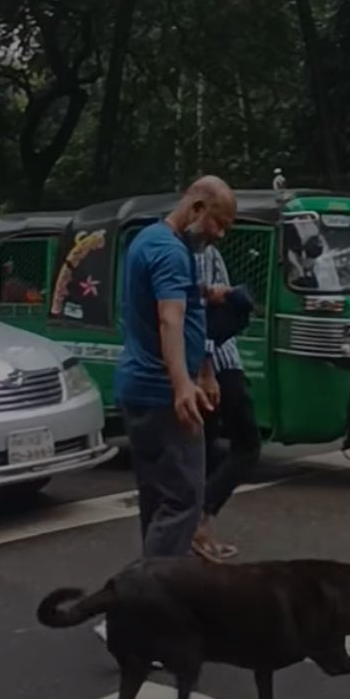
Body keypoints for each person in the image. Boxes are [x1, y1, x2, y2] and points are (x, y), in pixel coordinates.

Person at [114, 177, 236, 557]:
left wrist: (204, 369)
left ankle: (144, 599)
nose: (220, 234)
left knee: (158, 502)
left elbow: (188, 310)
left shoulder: (150, 240)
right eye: (219, 223)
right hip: (163, 393)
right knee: (184, 502)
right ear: (196, 208)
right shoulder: (169, 251)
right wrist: (183, 385)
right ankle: (150, 598)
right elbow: (171, 319)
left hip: (141, 387)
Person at [192, 241, 261, 563]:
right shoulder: (185, 253)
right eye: (218, 221)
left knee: (208, 450)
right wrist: (206, 370)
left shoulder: (211, 251)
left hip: (219, 358)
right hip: (215, 365)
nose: (222, 231)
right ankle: (201, 518)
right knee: (246, 444)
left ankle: (200, 529)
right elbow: (198, 311)